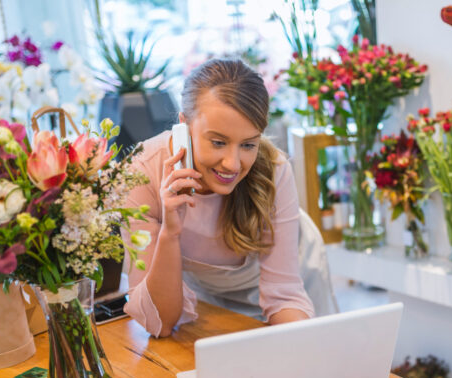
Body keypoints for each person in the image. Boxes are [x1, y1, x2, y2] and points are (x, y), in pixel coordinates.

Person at [124, 59, 314, 338]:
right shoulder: (143, 173)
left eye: (249, 144)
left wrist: (307, 347)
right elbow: (160, 324)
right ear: (184, 126)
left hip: (287, 280)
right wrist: (170, 233)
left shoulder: (275, 171)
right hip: (209, 297)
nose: (233, 164)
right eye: (218, 142)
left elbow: (284, 297)